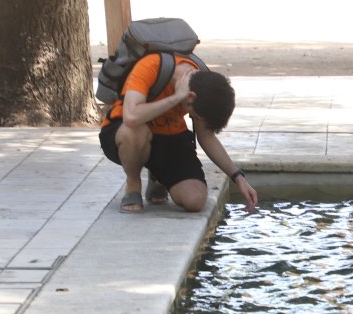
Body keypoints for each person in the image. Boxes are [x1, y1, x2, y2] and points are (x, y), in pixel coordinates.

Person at [99, 53, 257, 214]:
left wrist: (237, 177)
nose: (194, 117)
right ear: (190, 98)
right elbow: (131, 117)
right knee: (135, 131)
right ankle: (133, 184)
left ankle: (158, 176)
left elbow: (207, 136)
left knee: (195, 200)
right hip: (126, 133)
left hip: (169, 139)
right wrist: (177, 97)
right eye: (194, 115)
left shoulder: (205, 82)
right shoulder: (151, 65)